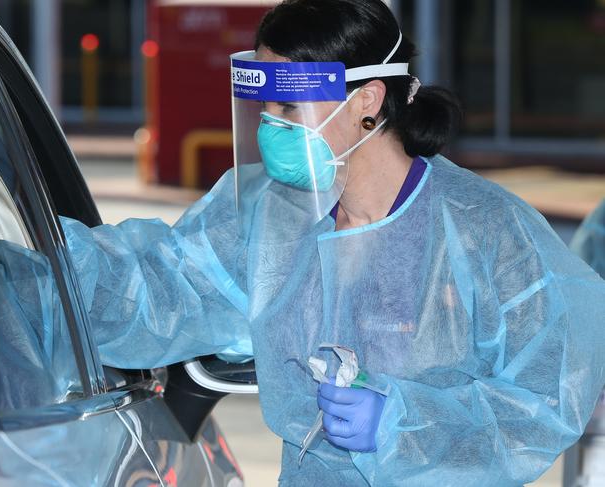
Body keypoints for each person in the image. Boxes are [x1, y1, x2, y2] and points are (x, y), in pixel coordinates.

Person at [61, 1, 605, 485]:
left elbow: (547, 402)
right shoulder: (268, 215)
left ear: (367, 99)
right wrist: (19, 275)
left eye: (290, 108)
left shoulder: (485, 230)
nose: (270, 126)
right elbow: (157, 290)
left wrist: (403, 422)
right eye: (266, 108)